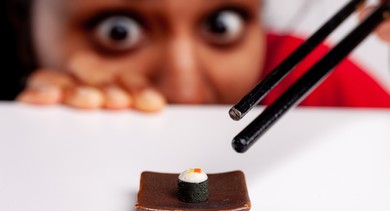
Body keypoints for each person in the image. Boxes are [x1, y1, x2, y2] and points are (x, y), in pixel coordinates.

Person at [4, 0, 390, 111]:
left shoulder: (309, 80)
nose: (186, 92)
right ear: (20, 23)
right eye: (118, 31)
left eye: (221, 25)